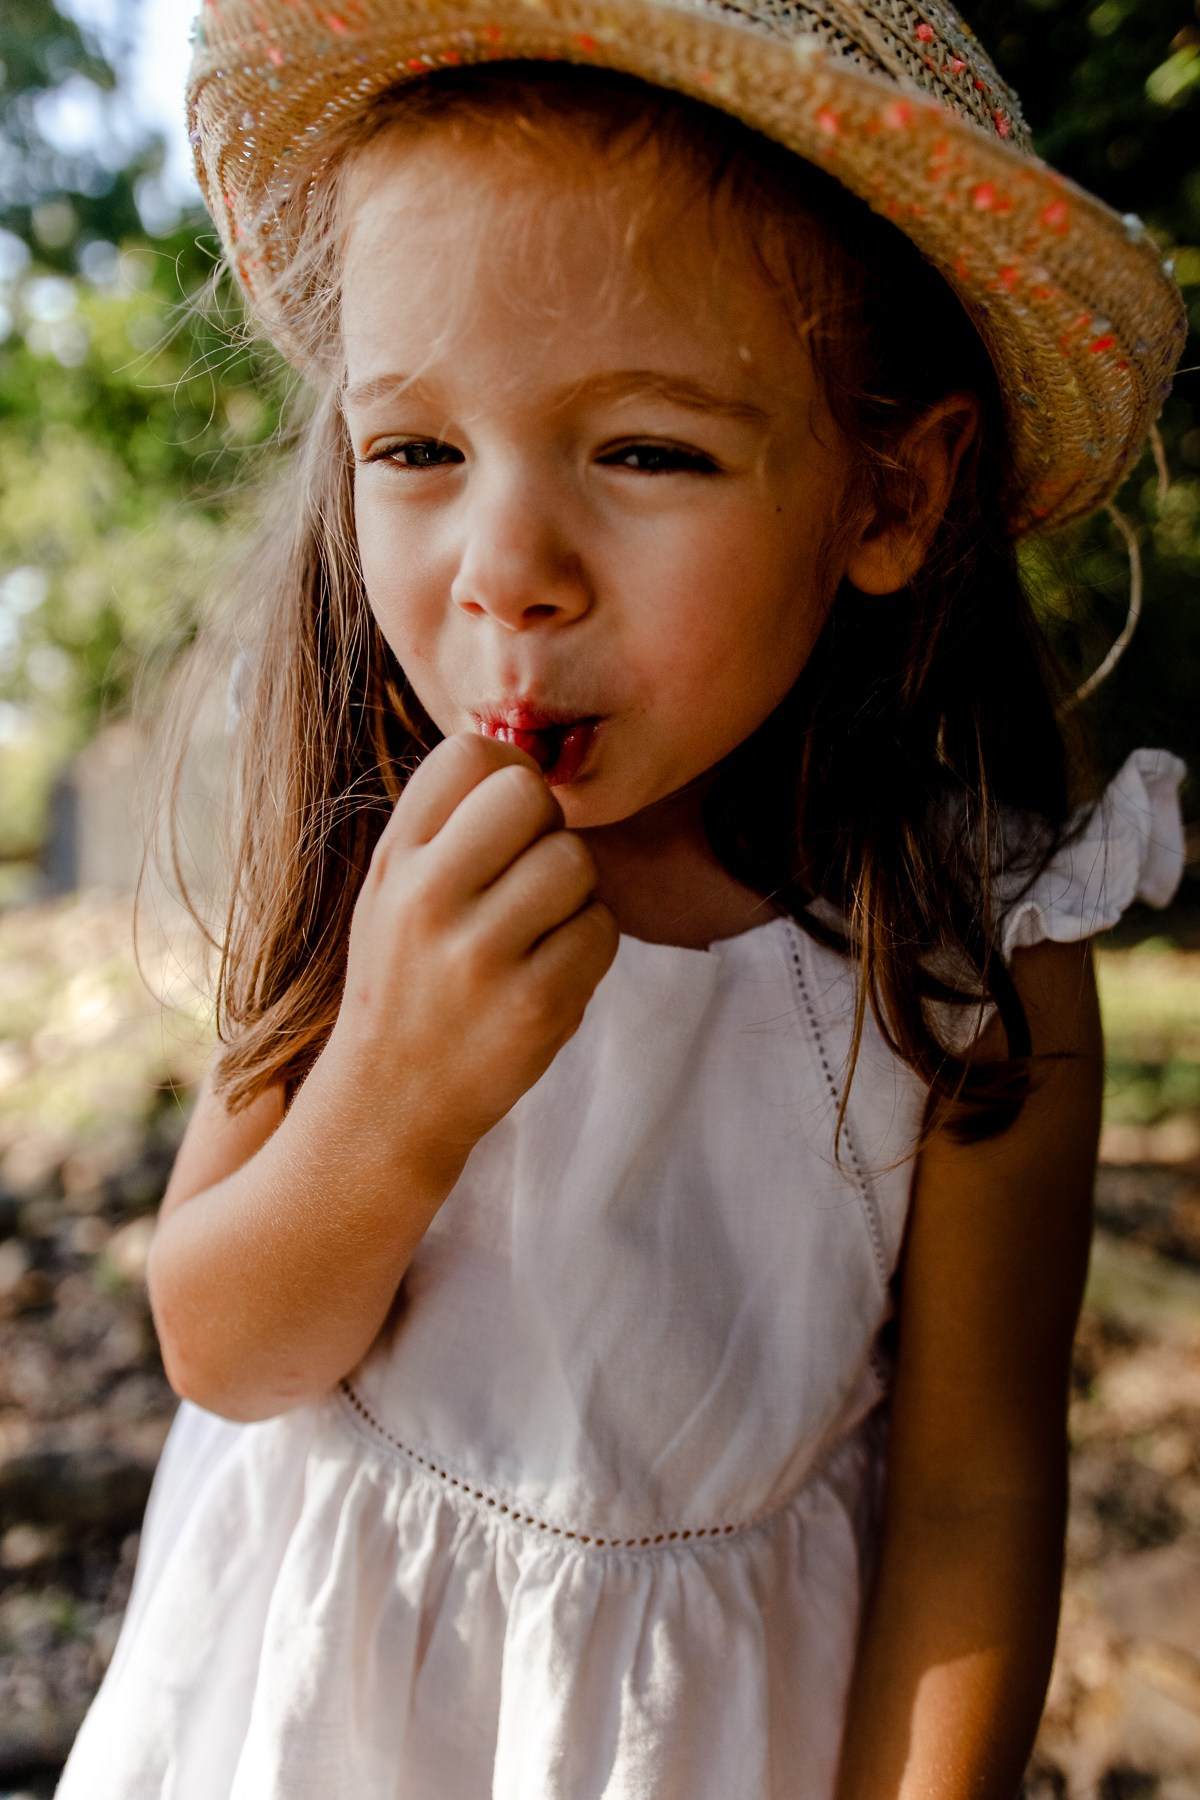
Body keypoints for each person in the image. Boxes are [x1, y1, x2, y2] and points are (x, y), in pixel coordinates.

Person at [58, 1, 1187, 1794]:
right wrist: (387, 1101)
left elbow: (973, 1498)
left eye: (647, 452)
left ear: (890, 493)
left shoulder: (974, 958)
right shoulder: (373, 839)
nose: (506, 572)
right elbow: (223, 1347)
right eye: (416, 451)